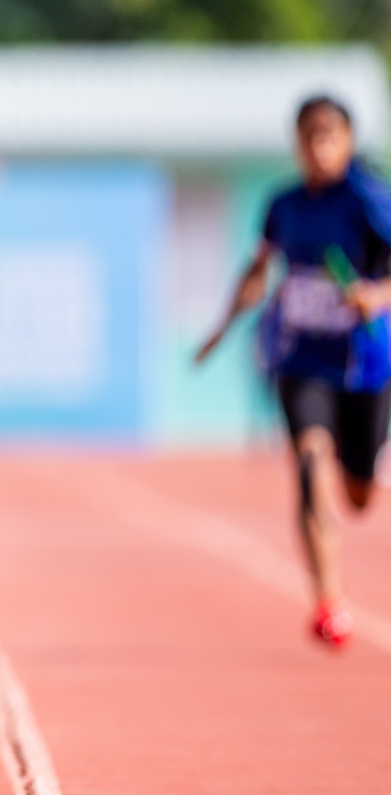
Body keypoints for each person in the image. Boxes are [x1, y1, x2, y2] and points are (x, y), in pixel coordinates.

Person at [196, 96, 391, 648]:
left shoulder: (369, 202)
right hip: (302, 359)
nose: (320, 147)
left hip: (364, 365)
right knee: (309, 463)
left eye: (330, 136)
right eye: (309, 136)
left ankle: (368, 467)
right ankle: (328, 601)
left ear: (349, 142)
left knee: (357, 495)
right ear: (297, 143)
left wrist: (376, 294)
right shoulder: (283, 206)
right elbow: (258, 269)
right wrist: (224, 324)